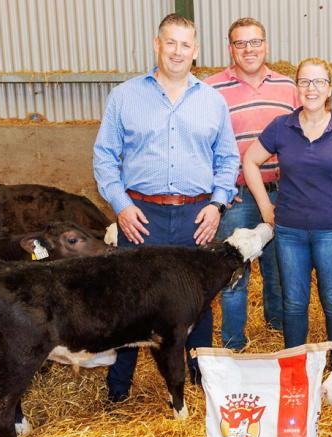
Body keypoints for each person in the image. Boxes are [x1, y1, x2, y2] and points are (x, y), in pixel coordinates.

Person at [93, 13, 239, 401]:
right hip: (141, 216)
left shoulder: (212, 100)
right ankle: (118, 392)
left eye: (185, 44)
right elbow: (105, 156)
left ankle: (199, 384)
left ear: (196, 51)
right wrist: (121, 206)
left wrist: (217, 205)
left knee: (200, 301)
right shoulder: (125, 96)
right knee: (128, 303)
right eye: (169, 42)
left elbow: (228, 159)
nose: (177, 51)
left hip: (197, 217)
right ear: (157, 44)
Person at [243, 58, 332, 358]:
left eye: (319, 82)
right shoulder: (282, 126)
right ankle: (294, 362)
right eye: (305, 81)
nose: (312, 88)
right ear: (297, 87)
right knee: (294, 301)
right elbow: (250, 161)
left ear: (330, 88)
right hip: (290, 230)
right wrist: (266, 206)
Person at [204, 17, 300, 347]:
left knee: (279, 268)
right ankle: (233, 342)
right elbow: (203, 143)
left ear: (266, 45)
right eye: (241, 43)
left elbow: (303, 138)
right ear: (230, 49)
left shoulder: (288, 87)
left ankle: (276, 326)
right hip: (236, 196)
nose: (249, 49)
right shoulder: (211, 89)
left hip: (281, 192)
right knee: (234, 271)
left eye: (255, 42)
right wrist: (217, 193)